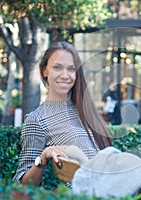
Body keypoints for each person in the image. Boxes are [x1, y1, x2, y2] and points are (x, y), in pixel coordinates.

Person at [13, 41, 112, 186]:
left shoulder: (84, 110)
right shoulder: (36, 119)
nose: (65, 75)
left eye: (71, 69)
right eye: (57, 67)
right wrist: (43, 157)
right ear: (45, 70)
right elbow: (21, 184)